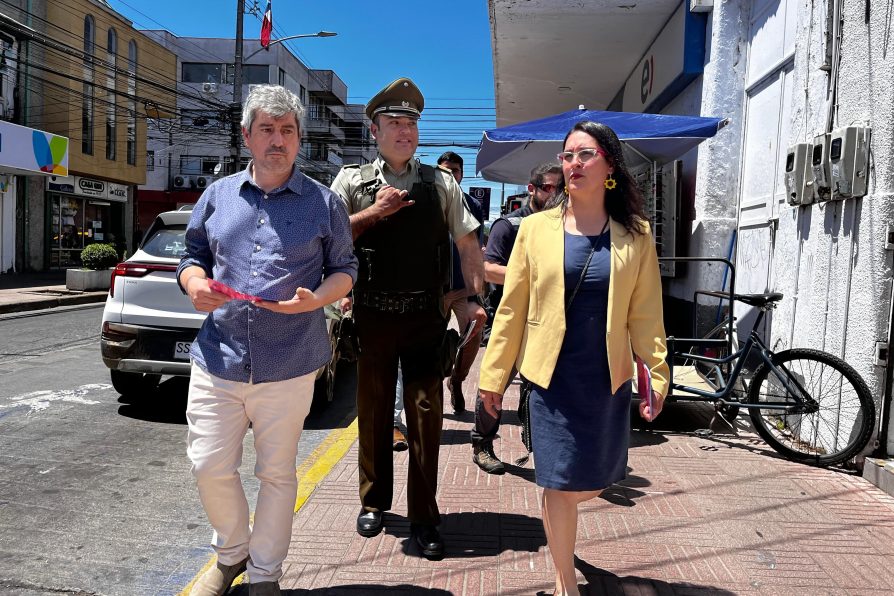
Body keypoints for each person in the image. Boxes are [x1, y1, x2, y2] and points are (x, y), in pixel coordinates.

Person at [178, 85, 357, 596]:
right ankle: (231, 552)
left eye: (287, 131)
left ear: (299, 139)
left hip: (291, 360)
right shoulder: (217, 196)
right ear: (246, 136)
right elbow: (193, 257)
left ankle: (264, 573)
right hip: (218, 356)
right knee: (209, 463)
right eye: (267, 129)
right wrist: (194, 285)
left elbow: (346, 268)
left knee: (277, 472)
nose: (277, 140)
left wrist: (315, 299)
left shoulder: (325, 204)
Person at [478, 121, 669, 596]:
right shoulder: (535, 230)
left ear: (609, 166)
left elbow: (645, 314)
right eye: (567, 157)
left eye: (584, 155)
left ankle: (568, 543)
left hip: (606, 377)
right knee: (559, 482)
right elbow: (513, 310)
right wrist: (493, 377)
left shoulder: (636, 235)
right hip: (551, 377)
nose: (572, 165)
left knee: (598, 479)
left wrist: (658, 375)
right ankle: (565, 583)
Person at [330, 77, 485, 559]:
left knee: (425, 420)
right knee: (373, 414)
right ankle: (373, 502)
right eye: (394, 123)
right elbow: (331, 241)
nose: (405, 131)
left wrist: (471, 299)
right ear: (374, 131)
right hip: (371, 316)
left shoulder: (441, 184)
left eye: (412, 123)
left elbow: (468, 244)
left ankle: (424, 517)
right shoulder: (352, 183)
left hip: (424, 319)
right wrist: (374, 213)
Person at [471, 162, 562, 475]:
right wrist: (530, 277)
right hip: (511, 319)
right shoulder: (509, 225)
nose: (555, 194)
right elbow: (487, 267)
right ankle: (482, 443)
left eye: (559, 187)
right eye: (548, 187)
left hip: (548, 321)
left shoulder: (565, 226)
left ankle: (542, 446)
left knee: (542, 388)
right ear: (532, 189)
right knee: (493, 385)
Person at [437, 150, 486, 414]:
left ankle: (456, 380)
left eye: (455, 170)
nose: (451, 175)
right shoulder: (429, 202)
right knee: (430, 343)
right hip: (433, 290)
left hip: (462, 288)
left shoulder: (472, 205)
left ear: (462, 174)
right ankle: (431, 397)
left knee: (475, 330)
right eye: (445, 171)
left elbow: (475, 252)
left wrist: (475, 297)